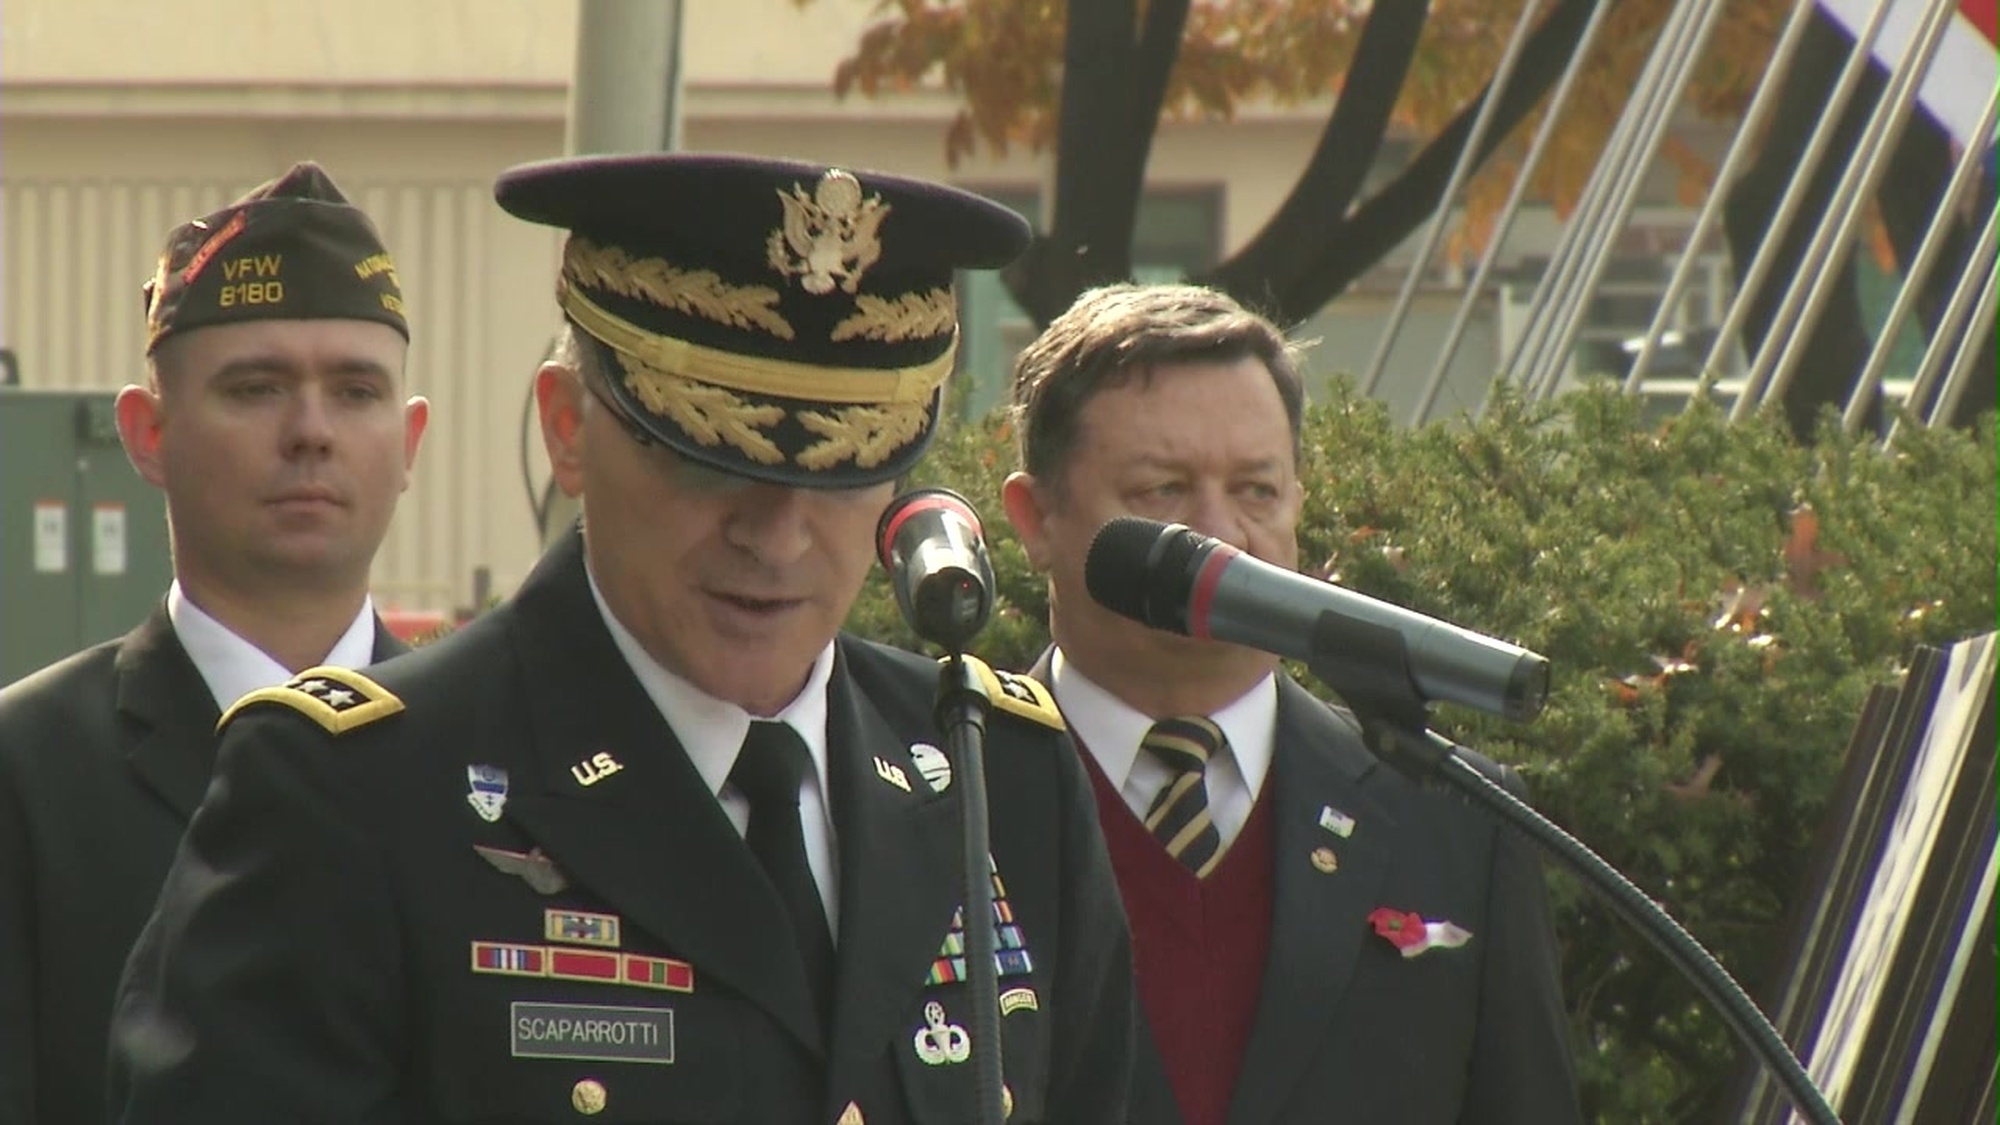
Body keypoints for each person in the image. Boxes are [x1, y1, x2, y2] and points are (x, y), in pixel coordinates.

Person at [107, 153, 1133, 1124]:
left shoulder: (998, 775)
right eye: (706, 459)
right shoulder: (348, 798)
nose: (775, 537)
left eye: (838, 467)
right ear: (566, 429)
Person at [999, 282, 1582, 1125]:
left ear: (1299, 505)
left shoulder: (1453, 817)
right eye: (1162, 490)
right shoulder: (940, 803)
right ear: (1036, 517)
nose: (1220, 535)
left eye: (1257, 490)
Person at [0, 161, 429, 1124]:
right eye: (256, 388)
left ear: (410, 444)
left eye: (356, 392)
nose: (311, 431)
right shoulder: (29, 775)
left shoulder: (498, 765)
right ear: (147, 434)